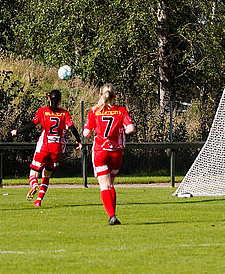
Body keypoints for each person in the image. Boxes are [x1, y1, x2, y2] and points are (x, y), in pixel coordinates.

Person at [84, 84, 136, 225]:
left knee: (104, 186)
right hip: (116, 152)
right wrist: (122, 132)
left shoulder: (94, 111)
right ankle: (113, 215)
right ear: (115, 96)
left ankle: (112, 216)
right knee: (111, 184)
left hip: (100, 151)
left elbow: (86, 133)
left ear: (100, 95)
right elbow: (130, 128)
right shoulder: (121, 111)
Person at [18, 89, 79, 207]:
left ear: (48, 99)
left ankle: (34, 184)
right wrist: (79, 141)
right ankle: (38, 201)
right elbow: (72, 128)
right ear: (60, 100)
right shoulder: (64, 114)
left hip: (44, 147)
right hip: (57, 148)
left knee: (33, 172)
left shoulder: (42, 111)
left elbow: (31, 125)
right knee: (47, 175)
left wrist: (18, 131)